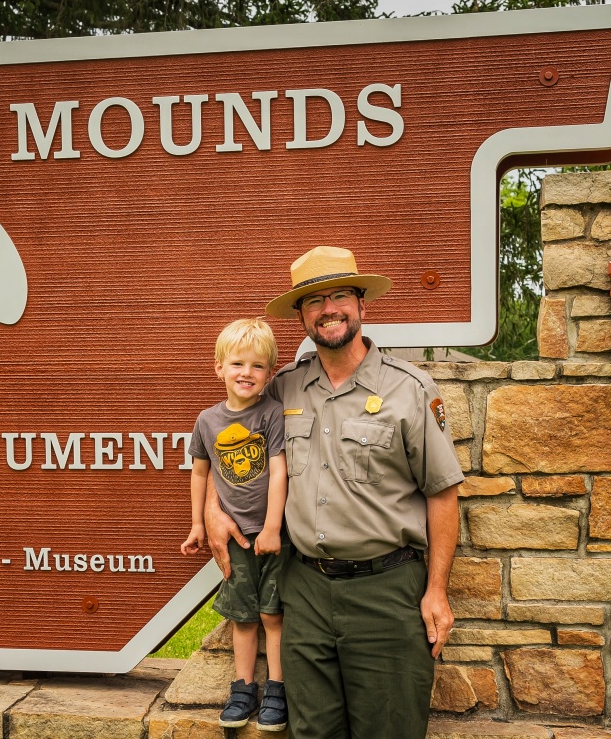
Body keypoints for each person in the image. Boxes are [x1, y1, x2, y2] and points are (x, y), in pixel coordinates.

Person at [205, 246, 464, 739]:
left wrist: (436, 590)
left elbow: (442, 493)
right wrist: (215, 508)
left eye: (340, 295)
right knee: (312, 733)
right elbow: (228, 441)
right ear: (301, 316)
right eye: (314, 300)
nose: (329, 308)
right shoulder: (283, 389)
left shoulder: (408, 389)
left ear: (362, 305)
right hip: (303, 593)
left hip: (385, 594)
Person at [181, 317, 290, 731]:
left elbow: (278, 472)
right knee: (244, 617)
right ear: (219, 367)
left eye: (258, 366)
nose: (247, 373)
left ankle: (276, 690)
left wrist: (273, 527)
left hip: (272, 536)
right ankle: (243, 689)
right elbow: (199, 474)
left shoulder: (272, 414)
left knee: (273, 615)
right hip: (236, 540)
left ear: (270, 372)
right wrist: (197, 524)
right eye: (238, 364)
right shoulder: (207, 421)